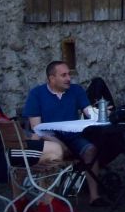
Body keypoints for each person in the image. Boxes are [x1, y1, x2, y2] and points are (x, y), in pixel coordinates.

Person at [23, 60, 106, 204]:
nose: (69, 78)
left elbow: (89, 113)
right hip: (49, 138)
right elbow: (37, 128)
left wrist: (102, 113)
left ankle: (94, 196)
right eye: (63, 75)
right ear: (52, 78)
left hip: (73, 137)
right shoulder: (37, 94)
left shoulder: (76, 90)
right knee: (56, 149)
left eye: (69, 74)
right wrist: (57, 143)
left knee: (91, 150)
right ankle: (50, 199)